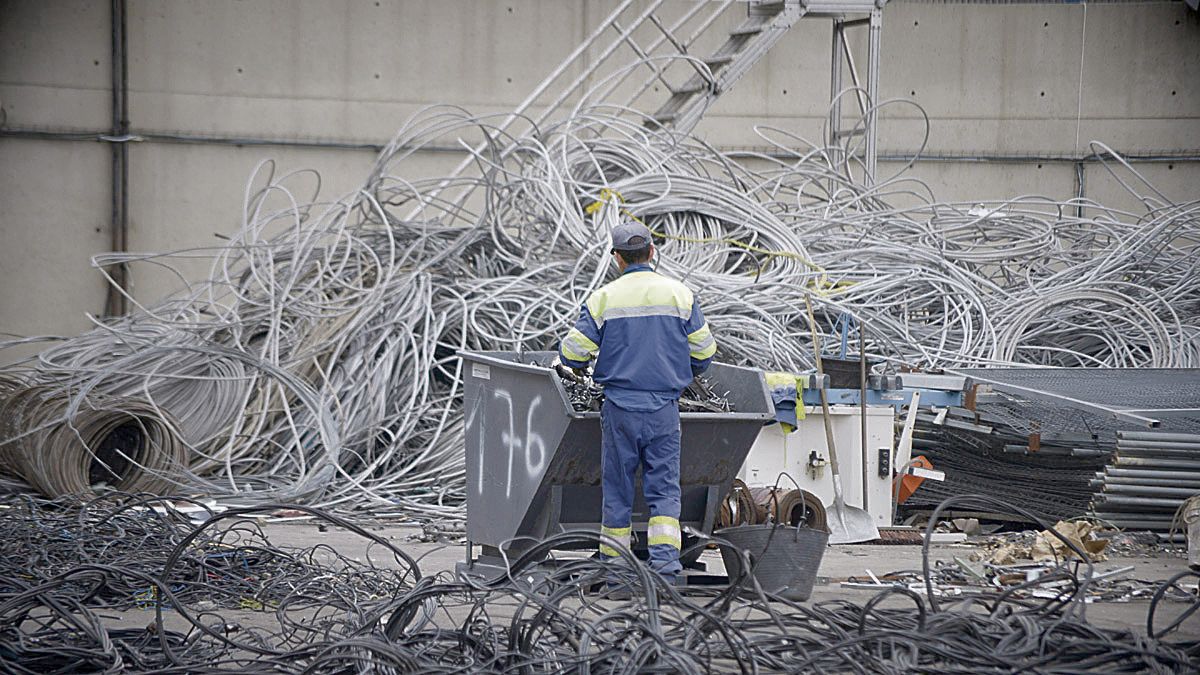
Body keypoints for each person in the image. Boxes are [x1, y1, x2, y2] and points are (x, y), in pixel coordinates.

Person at [557, 220, 717, 581]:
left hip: (620, 408)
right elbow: (705, 354)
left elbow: (571, 354)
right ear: (652, 252)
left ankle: (614, 566)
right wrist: (678, 369)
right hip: (663, 408)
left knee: (617, 488)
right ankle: (665, 567)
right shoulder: (680, 296)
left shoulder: (604, 299)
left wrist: (583, 364)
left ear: (617, 258)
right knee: (663, 490)